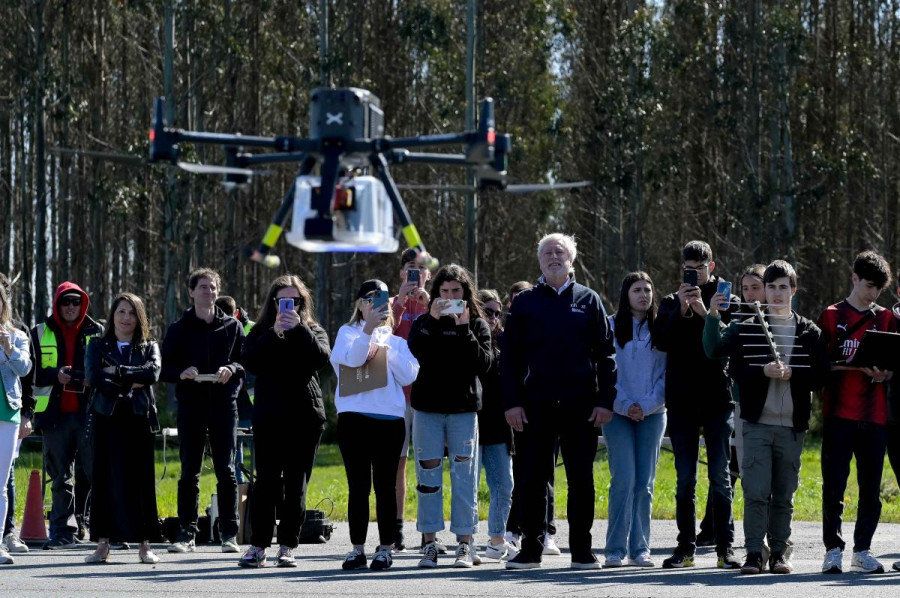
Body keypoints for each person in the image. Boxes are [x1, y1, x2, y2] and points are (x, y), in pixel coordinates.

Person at [706, 261, 829, 574]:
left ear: (793, 291)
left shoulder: (807, 330)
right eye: (771, 287)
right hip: (757, 423)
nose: (776, 293)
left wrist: (793, 375)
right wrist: (711, 316)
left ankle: (778, 553)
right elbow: (718, 353)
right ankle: (752, 553)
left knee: (784, 495)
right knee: (756, 491)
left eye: (783, 287)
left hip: (792, 427)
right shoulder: (748, 325)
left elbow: (820, 376)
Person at [502, 233, 616, 570]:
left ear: (572, 259)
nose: (554, 256)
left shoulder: (589, 300)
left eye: (560, 251)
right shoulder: (524, 302)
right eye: (547, 252)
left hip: (582, 406)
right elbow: (509, 359)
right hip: (533, 405)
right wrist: (512, 403)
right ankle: (531, 549)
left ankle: (581, 550)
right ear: (539, 260)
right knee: (533, 478)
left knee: (582, 478)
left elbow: (606, 357)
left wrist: (605, 401)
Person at [653, 240, 739, 569]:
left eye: (700, 268)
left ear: (712, 267)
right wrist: (682, 309)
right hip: (682, 400)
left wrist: (706, 313)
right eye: (689, 268)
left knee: (720, 475)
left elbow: (731, 341)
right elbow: (662, 341)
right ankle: (685, 548)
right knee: (685, 478)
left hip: (717, 396)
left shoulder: (725, 297)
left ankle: (724, 548)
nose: (695, 274)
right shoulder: (669, 301)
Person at [237, 275, 330, 568]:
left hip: (304, 417)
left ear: (303, 303)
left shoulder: (313, 329)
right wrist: (274, 333)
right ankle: (258, 546)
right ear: (273, 303)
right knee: (265, 483)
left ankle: (288, 545)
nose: (289, 306)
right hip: (269, 416)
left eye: (295, 301)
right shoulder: (261, 330)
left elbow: (321, 358)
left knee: (295, 484)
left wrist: (299, 328)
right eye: (282, 301)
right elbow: (248, 360)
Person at [407, 264, 492, 568]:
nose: (451, 297)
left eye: (456, 291)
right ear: (435, 294)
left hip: (463, 411)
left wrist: (464, 327)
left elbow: (482, 364)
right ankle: (430, 543)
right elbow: (416, 349)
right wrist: (432, 318)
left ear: (466, 293)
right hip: (428, 409)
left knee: (464, 477)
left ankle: (465, 544)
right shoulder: (423, 322)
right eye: (444, 292)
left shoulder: (478, 325)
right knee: (427, 477)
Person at [817, 250, 896, 574]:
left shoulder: (887, 318)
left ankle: (862, 550)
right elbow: (819, 366)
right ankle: (833, 550)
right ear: (853, 278)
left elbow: (894, 364)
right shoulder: (832, 316)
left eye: (878, 288)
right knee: (834, 485)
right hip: (839, 413)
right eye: (868, 285)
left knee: (871, 489)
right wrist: (851, 366)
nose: (873, 293)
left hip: (875, 415)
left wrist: (886, 373)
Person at [332, 279, 419, 571]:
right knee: (358, 486)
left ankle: (385, 548)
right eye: (369, 299)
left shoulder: (397, 341)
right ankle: (357, 549)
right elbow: (354, 361)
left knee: (384, 486)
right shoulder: (347, 333)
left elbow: (408, 377)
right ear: (359, 304)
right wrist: (368, 330)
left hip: (389, 421)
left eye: (380, 299)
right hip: (354, 418)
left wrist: (384, 340)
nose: (374, 304)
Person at [162, 268, 245, 554]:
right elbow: (164, 369)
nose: (208, 292)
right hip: (191, 407)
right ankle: (187, 533)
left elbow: (245, 362)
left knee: (226, 470)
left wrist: (230, 369)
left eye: (212, 287)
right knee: (190, 472)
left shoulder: (233, 327)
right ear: (191, 292)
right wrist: (182, 372)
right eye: (203, 287)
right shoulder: (178, 329)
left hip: (224, 406)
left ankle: (229, 534)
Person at [84, 293, 162, 564]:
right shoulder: (97, 345)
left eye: (131, 312)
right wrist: (131, 377)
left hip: (139, 418)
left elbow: (152, 374)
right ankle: (102, 544)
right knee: (104, 479)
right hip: (107, 418)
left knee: (141, 481)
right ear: (113, 315)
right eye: (121, 312)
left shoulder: (149, 345)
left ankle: (144, 544)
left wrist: (116, 373)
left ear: (139, 317)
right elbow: (94, 377)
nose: (126, 318)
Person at [26, 282, 103, 548]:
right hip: (54, 417)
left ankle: (101, 530)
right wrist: (56, 375)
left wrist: (89, 379)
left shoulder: (98, 331)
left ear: (83, 304)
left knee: (97, 474)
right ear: (57, 305)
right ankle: (62, 532)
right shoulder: (39, 332)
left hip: (90, 415)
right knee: (60, 477)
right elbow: (29, 373)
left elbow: (107, 370)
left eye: (75, 302)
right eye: (65, 302)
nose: (71, 307)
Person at [697, 263, 765, 546]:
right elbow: (719, 344)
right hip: (737, 400)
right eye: (746, 288)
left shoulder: (779, 317)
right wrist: (708, 313)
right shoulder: (736, 315)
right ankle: (712, 526)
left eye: (756, 288)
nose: (750, 294)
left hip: (767, 404)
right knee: (730, 467)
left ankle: (758, 535)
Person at [602, 272, 666, 568]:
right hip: (618, 413)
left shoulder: (662, 328)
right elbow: (605, 372)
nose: (643, 294)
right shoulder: (611, 326)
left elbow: (667, 375)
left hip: (653, 413)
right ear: (626, 295)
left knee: (645, 483)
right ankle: (614, 549)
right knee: (624, 480)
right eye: (637, 290)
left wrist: (649, 404)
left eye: (648, 289)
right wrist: (626, 404)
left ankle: (640, 548)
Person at [502, 280, 560, 555]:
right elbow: (509, 363)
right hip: (525, 407)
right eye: (513, 299)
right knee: (525, 475)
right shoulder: (515, 324)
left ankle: (547, 531)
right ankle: (519, 533)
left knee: (546, 474)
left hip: (559, 404)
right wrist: (513, 403)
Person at [390, 248, 432, 552]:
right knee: (397, 464)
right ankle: (397, 528)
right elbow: (379, 336)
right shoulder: (389, 303)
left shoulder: (438, 303)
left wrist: (429, 306)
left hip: (430, 396)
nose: (416, 272)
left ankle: (429, 529)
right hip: (396, 395)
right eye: (410, 267)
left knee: (428, 464)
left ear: (429, 274)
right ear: (402, 272)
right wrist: (401, 302)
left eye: (421, 268)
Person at [476, 289, 516, 561]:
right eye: (487, 311)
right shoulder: (468, 338)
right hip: (469, 421)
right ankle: (464, 542)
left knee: (504, 484)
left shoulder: (505, 343)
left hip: (499, 424)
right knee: (468, 486)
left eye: (497, 313)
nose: (493, 317)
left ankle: (496, 540)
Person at [0, 280, 32, 564]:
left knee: (0, 483)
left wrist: (8, 347)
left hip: (7, 414)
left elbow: (25, 369)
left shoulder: (16, 335)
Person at [215, 296, 255, 486]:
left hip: (253, 405)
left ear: (236, 313)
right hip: (230, 404)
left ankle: (262, 499)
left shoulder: (252, 329)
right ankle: (239, 500)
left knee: (259, 455)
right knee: (233, 459)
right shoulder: (216, 330)